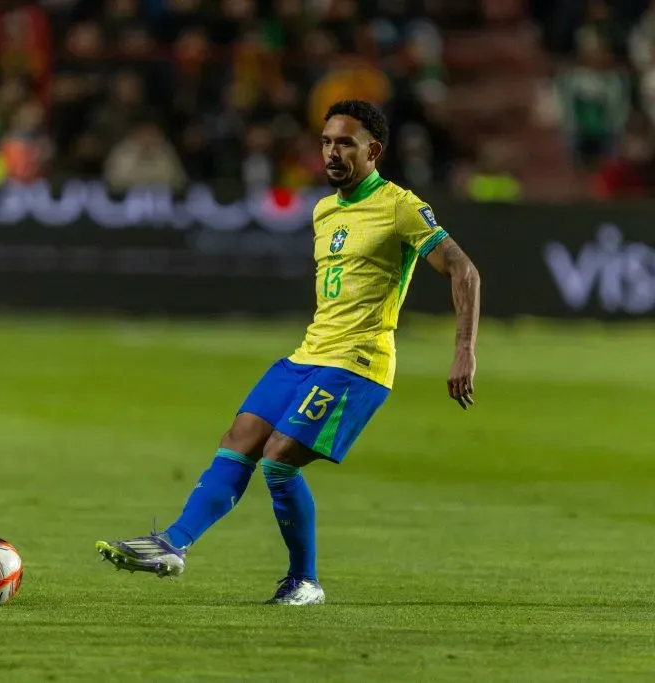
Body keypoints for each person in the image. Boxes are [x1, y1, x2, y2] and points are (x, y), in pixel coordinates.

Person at [96, 100, 481, 605]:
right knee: (240, 437)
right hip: (308, 354)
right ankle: (172, 544)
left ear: (374, 150)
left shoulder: (400, 206)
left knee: (279, 460)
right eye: (326, 142)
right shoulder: (324, 211)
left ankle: (305, 582)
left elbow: (464, 270)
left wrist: (464, 351)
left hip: (358, 364)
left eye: (345, 142)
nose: (332, 152)